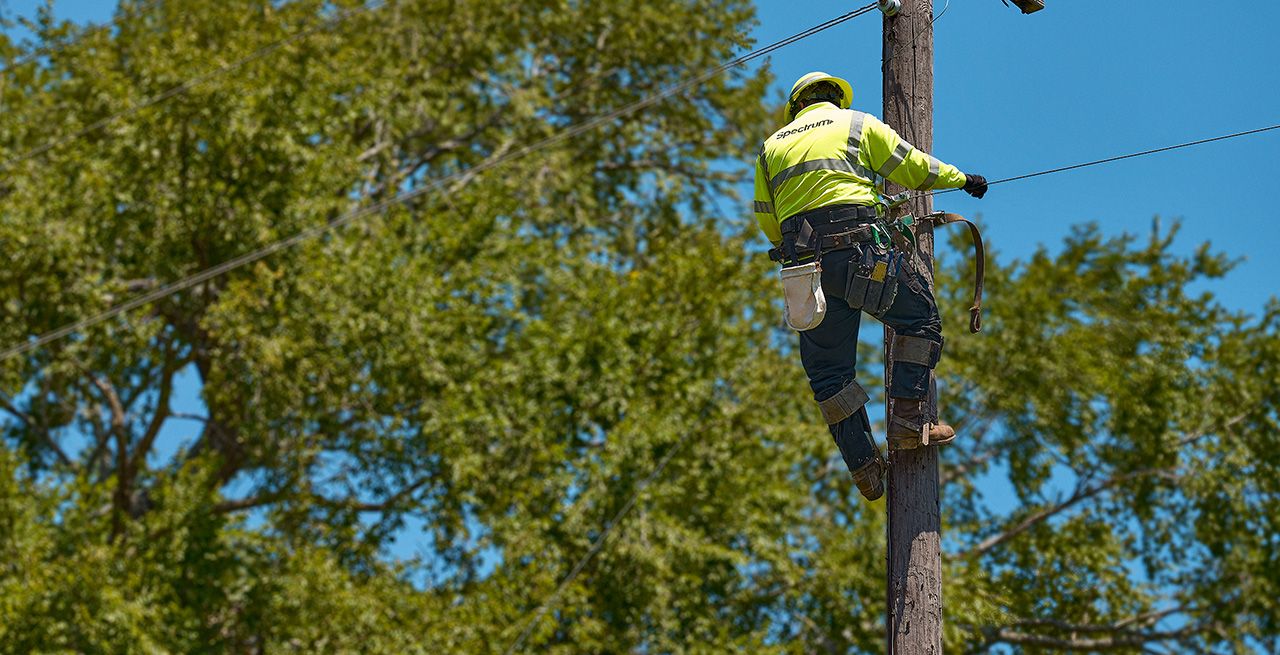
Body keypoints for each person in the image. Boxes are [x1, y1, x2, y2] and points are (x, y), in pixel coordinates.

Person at [753, 72, 988, 501]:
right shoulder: (855, 124)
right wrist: (963, 180)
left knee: (828, 374)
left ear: (796, 107)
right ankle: (908, 424)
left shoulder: (771, 148)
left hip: (806, 272)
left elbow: (768, 222)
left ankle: (864, 467)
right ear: (836, 99)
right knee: (920, 319)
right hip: (860, 255)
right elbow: (915, 167)